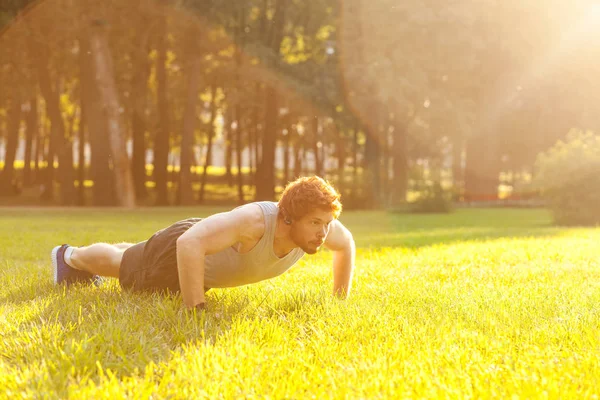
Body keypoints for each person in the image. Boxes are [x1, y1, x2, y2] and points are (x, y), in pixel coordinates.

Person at [51, 176, 356, 310]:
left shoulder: (321, 228)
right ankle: (70, 257)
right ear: (289, 218)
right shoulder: (255, 222)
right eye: (316, 223)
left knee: (137, 252)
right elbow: (189, 244)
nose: (323, 233)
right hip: (181, 250)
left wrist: (339, 299)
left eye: (327, 224)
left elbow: (346, 244)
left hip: (199, 245)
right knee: (124, 265)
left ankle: (77, 256)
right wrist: (196, 308)